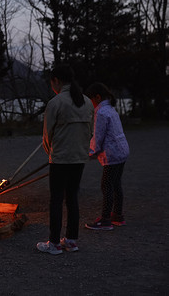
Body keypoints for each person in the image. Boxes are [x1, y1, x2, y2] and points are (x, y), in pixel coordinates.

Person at [37, 64, 94, 255]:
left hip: (61, 158)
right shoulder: (87, 102)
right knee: (72, 198)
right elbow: (90, 132)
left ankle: (54, 243)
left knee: (56, 200)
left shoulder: (56, 102)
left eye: (51, 82)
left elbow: (47, 136)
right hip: (79, 158)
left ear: (56, 81)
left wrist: (52, 153)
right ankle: (71, 240)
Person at [84, 82, 129, 230]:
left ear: (97, 97)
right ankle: (117, 215)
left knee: (107, 185)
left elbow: (98, 136)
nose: (90, 103)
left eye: (91, 99)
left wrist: (91, 152)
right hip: (121, 152)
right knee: (116, 184)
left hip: (113, 154)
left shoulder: (101, 112)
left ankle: (105, 219)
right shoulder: (110, 109)